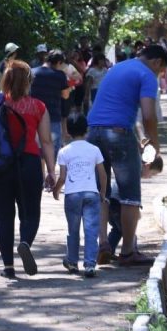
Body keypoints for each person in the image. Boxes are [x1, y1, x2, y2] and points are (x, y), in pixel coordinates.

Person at [87, 45, 167, 266]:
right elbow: (149, 115)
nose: (159, 75)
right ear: (157, 63)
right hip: (117, 133)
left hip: (93, 132)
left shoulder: (118, 68)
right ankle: (127, 252)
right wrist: (154, 145)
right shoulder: (147, 75)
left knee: (101, 191)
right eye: (162, 71)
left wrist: (141, 139)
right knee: (130, 195)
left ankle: (103, 243)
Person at [0, 60, 56, 279]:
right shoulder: (38, 106)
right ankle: (25, 242)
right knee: (30, 212)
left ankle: (8, 267)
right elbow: (46, 142)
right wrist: (52, 171)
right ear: (28, 81)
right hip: (28, 163)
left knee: (4, 217)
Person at [52, 113, 106, 278]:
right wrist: (102, 192)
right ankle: (90, 265)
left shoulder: (63, 151)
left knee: (73, 230)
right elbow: (102, 174)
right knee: (91, 230)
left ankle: (73, 262)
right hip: (91, 193)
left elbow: (62, 177)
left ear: (67, 131)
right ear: (86, 130)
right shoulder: (94, 150)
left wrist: (56, 190)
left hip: (72, 195)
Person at [30, 50, 70, 155]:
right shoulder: (60, 75)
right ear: (59, 62)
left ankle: (40, 171)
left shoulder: (32, 72)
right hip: (52, 116)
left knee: (36, 148)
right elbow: (66, 95)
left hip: (33, 115)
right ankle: (51, 171)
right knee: (52, 147)